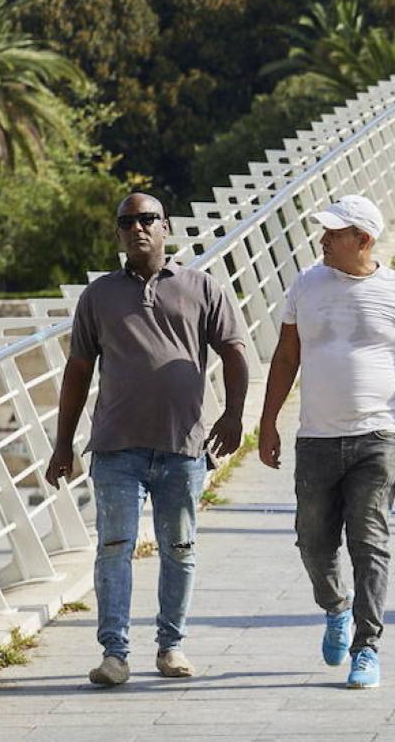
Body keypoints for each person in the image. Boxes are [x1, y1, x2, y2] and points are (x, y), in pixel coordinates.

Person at [45, 192, 249, 686]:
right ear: (118, 233)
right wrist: (62, 443)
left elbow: (235, 352)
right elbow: (77, 371)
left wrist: (235, 416)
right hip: (116, 447)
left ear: (166, 227)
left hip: (182, 446)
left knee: (179, 547)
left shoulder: (201, 287)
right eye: (127, 222)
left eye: (147, 219)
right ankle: (114, 654)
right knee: (114, 547)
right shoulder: (99, 296)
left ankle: (171, 646)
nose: (137, 228)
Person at [257, 194, 395, 689]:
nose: (323, 241)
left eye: (333, 234)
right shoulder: (306, 285)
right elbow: (286, 357)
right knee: (313, 541)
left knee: (369, 543)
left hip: (378, 438)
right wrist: (267, 423)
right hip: (316, 438)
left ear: (363, 240)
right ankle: (335, 606)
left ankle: (367, 646)